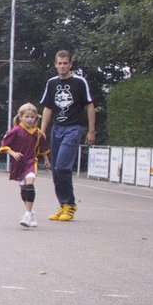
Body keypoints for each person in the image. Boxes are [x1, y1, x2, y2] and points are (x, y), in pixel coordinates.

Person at [39, 50, 95, 220]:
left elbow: (90, 106)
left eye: (65, 63)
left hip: (73, 128)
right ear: (55, 64)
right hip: (57, 129)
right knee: (55, 170)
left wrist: (91, 131)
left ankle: (70, 205)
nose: (62, 66)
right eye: (59, 63)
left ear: (70, 64)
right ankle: (63, 205)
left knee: (62, 167)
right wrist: (42, 132)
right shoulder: (51, 83)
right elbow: (48, 108)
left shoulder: (79, 82)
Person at [0, 103, 51, 228]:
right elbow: (4, 145)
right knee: (24, 190)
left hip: (31, 161)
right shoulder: (16, 130)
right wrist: (12, 153)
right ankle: (31, 213)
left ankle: (27, 215)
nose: (30, 119)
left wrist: (46, 159)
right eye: (27, 117)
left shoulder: (38, 133)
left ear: (36, 118)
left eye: (32, 117)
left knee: (30, 184)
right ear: (21, 117)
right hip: (19, 163)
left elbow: (43, 147)